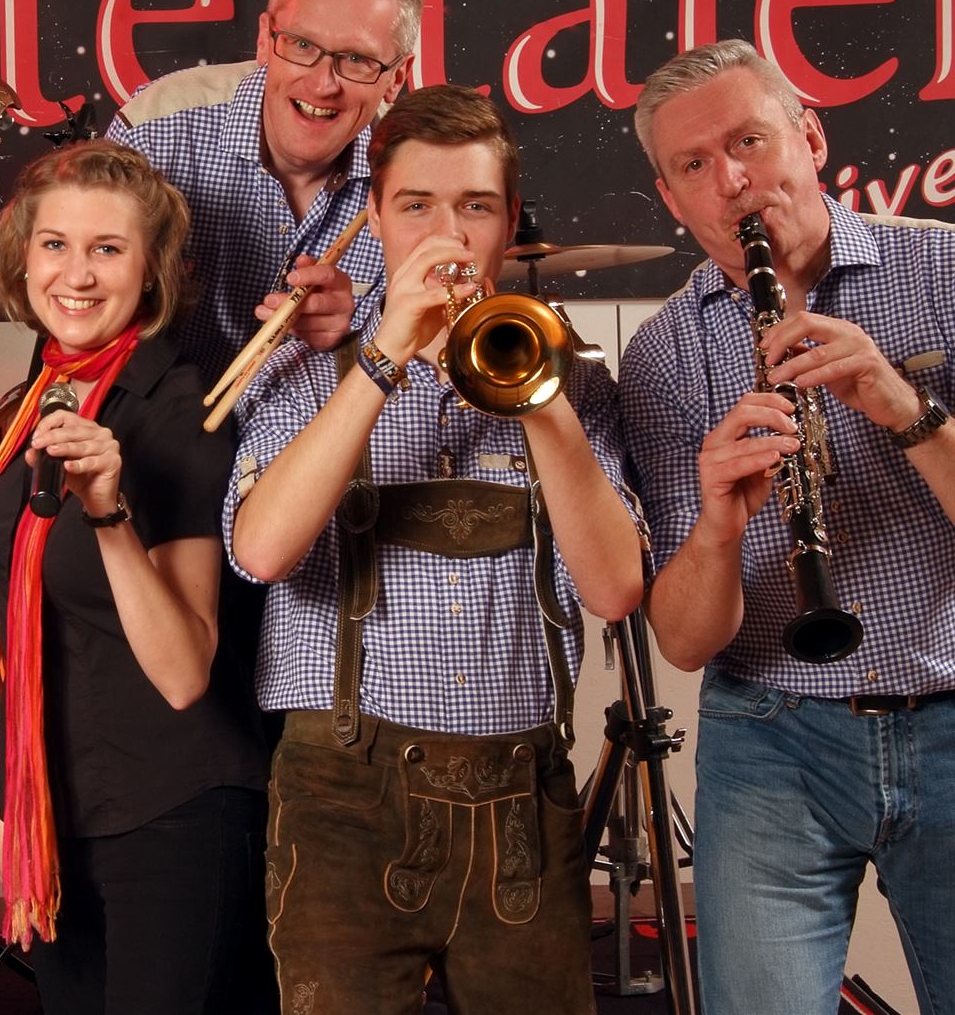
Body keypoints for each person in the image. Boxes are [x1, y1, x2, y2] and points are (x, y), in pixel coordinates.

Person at [619, 39, 955, 1015]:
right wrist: (718, 527)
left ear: (810, 138)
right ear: (671, 198)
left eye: (750, 141)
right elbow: (685, 642)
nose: (731, 181)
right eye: (695, 165)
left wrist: (902, 405)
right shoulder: (662, 354)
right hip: (767, 740)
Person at [226, 85, 645, 1014]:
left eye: (475, 207)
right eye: (416, 205)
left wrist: (538, 397)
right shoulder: (304, 365)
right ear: (375, 217)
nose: (447, 235)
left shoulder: (574, 381)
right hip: (344, 799)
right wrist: (380, 359)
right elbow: (261, 553)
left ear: (509, 222)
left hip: (523, 797)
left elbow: (616, 590)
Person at [0, 141, 271, 1014]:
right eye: (55, 245)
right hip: (59, 815)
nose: (77, 275)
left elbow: (183, 671)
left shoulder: (182, 411)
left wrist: (109, 513)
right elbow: (27, 624)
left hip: (172, 813)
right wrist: (3, 784)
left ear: (151, 270)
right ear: (23, 259)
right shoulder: (45, 393)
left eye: (108, 249)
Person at [105, 0, 421, 384]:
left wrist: (354, 338)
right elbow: (84, 313)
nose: (323, 85)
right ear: (265, 40)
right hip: (155, 411)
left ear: (397, 78)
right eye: (302, 44)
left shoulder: (415, 175)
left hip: (322, 422)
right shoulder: (154, 132)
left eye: (357, 59)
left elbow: (421, 376)